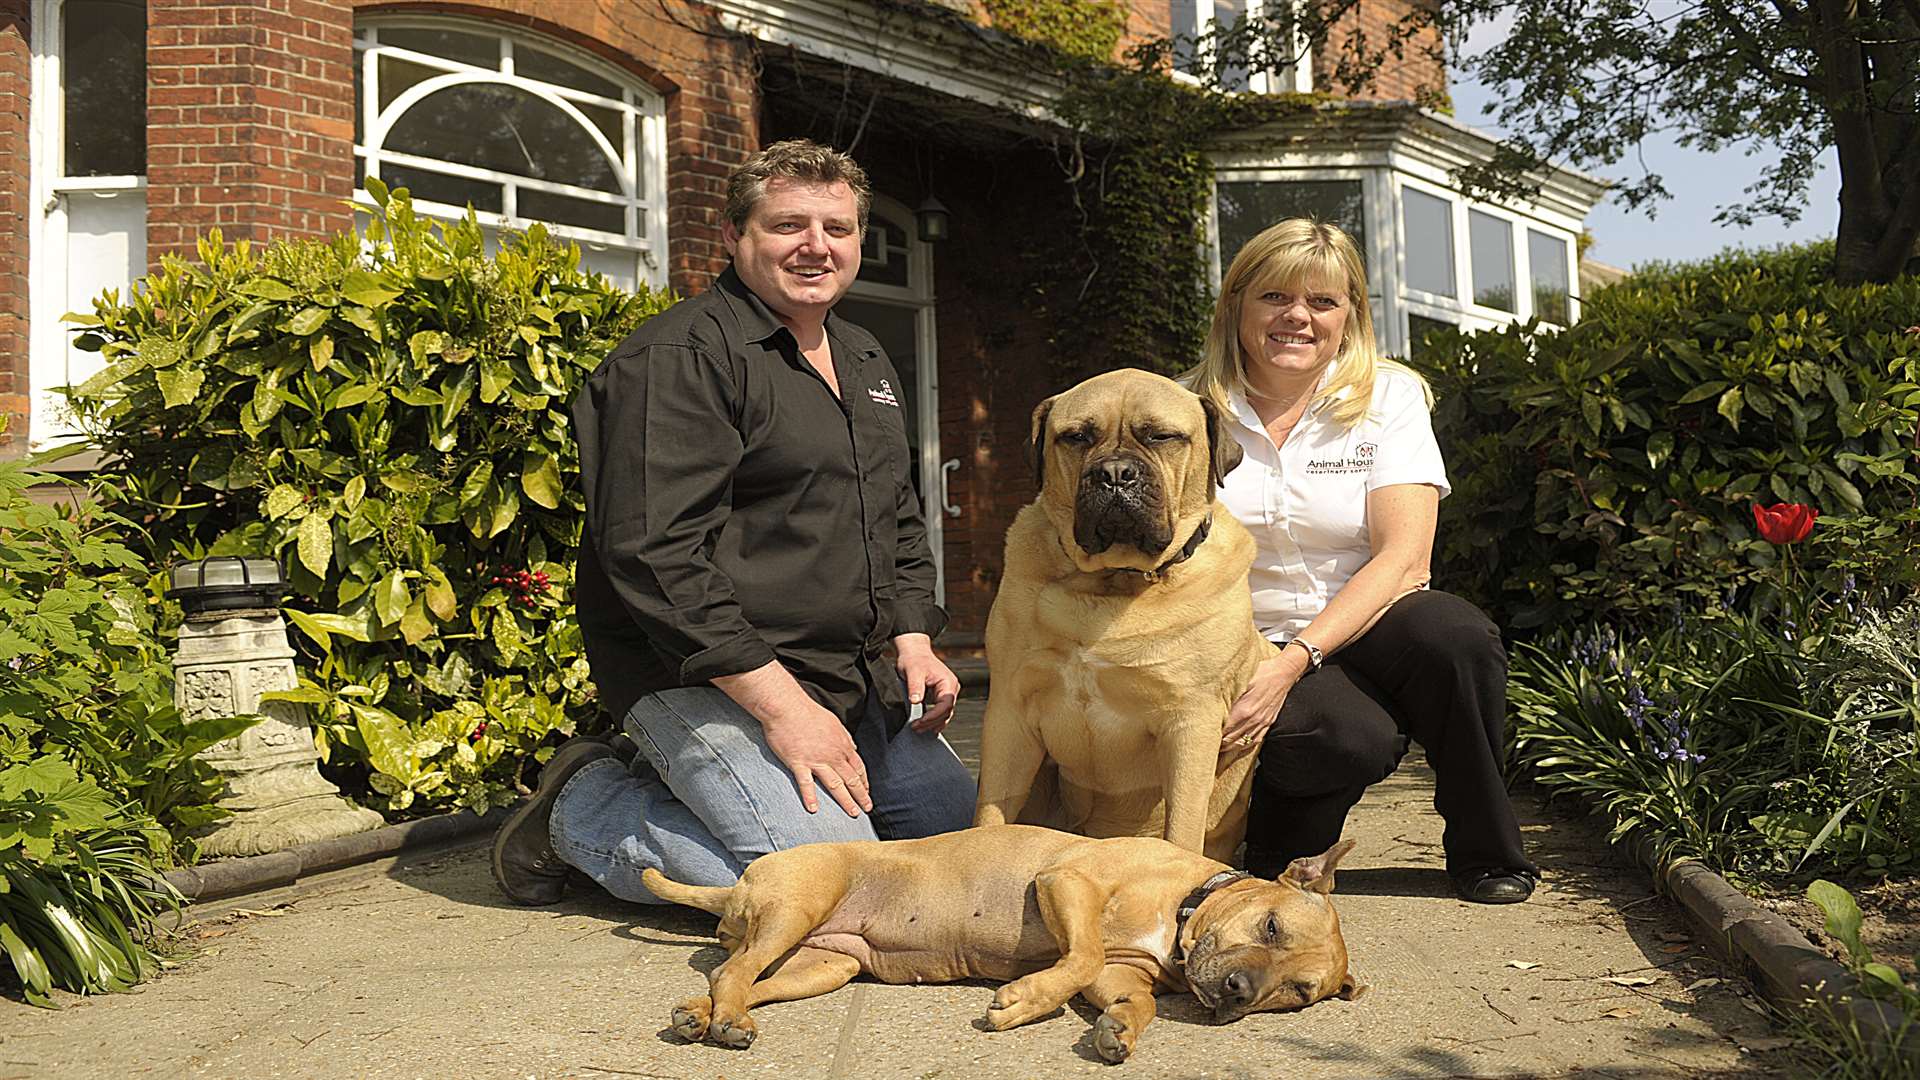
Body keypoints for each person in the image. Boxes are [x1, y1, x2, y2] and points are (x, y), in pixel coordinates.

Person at [491, 139, 978, 906]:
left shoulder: (866, 357)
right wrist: (786, 713)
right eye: (789, 226)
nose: (817, 247)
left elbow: (899, 518)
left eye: (838, 229)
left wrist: (913, 640)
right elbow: (655, 556)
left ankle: (720, 789)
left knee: (953, 850)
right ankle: (582, 809)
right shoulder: (678, 357)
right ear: (733, 236)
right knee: (829, 892)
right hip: (704, 675)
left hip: (849, 673)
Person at [1183, 219, 1539, 904]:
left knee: (1456, 637)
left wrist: (1295, 662)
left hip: (1373, 612)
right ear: (1236, 305)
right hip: (1246, 634)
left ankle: (1488, 853)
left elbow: (1405, 560)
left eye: (1323, 301)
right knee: (1348, 737)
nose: (1298, 317)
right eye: (1274, 297)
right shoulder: (1190, 408)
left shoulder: (1388, 396)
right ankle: (1271, 850)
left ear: (1350, 316)